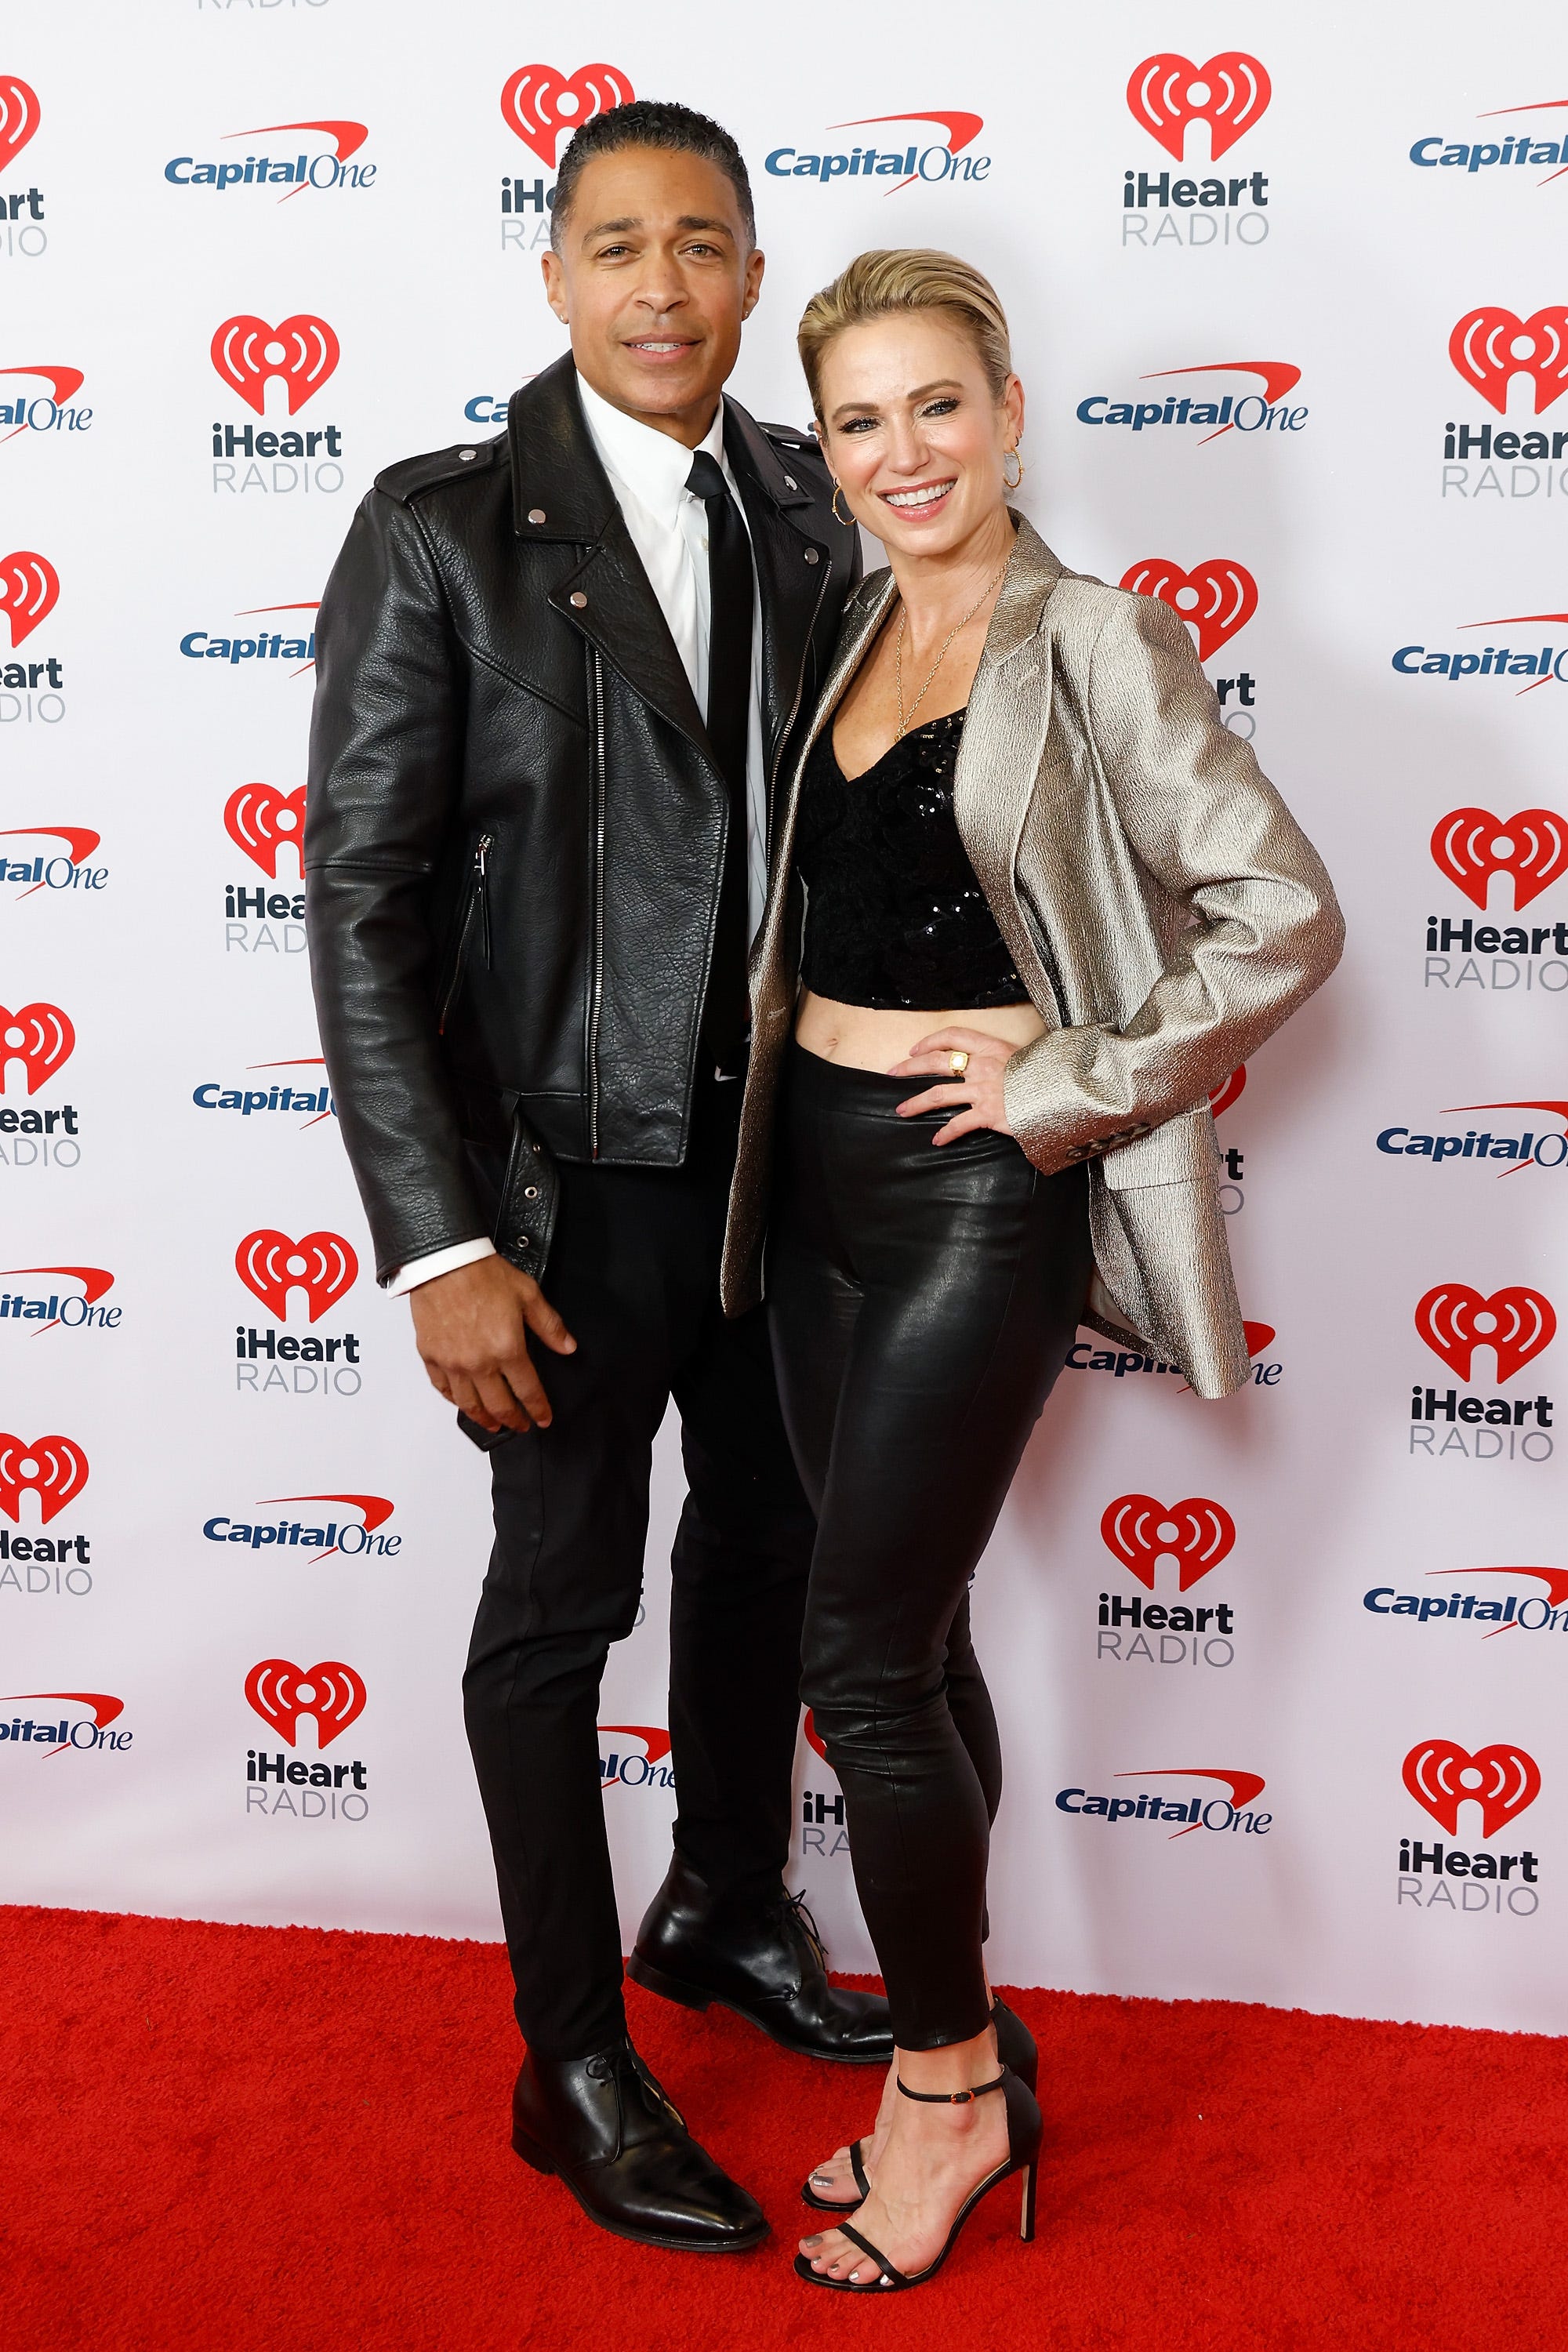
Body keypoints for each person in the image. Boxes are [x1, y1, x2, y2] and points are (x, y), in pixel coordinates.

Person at [717, 249, 1345, 2292]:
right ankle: (947, 2062)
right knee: (903, 1630)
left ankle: (951, 2085)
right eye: (860, 421)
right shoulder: (839, 622)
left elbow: (1280, 913)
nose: (904, 453)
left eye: (938, 405)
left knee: (854, 1663)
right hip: (801, 1174)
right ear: (832, 446)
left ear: (1006, 408)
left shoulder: (1099, 638)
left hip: (973, 1181)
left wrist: (1075, 1071)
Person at [303, 103, 889, 2256]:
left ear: (753, 280)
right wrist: (436, 1240)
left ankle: (723, 1904)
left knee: (768, 1553)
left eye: (705, 245)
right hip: (551, 1200)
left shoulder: (816, 509)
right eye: (617, 245)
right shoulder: (444, 530)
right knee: (558, 1608)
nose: (662, 285)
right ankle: (569, 2062)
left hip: (779, 1176)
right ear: (552, 279)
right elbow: (356, 899)